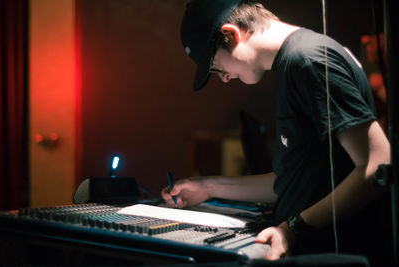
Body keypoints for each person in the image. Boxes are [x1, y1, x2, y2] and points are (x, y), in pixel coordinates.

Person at [161, 0, 391, 265]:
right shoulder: (296, 61)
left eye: (215, 67)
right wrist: (209, 187)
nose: (223, 78)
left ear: (231, 35)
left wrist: (295, 227)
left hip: (331, 253)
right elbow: (293, 180)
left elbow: (378, 165)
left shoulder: (307, 61)